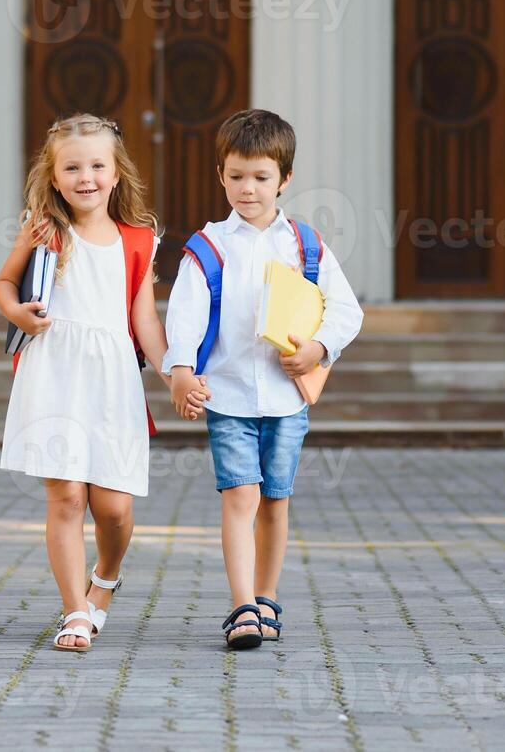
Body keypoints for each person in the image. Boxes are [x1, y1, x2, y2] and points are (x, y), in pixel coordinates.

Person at [163, 109, 364, 649]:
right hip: (227, 396)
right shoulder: (209, 247)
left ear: (285, 179)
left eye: (260, 177)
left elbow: (345, 310)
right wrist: (181, 370)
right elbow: (185, 312)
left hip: (285, 399)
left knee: (275, 499)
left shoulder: (305, 246)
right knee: (240, 497)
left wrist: (320, 347)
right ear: (220, 175)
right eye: (235, 176)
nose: (246, 189)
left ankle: (267, 597)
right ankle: (242, 606)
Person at [0, 113, 171, 652]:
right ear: (53, 176)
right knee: (67, 497)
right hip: (53, 374)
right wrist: (19, 314)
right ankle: (75, 610)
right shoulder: (44, 229)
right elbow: (5, 283)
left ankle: (106, 578)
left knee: (114, 508)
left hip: (111, 379)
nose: (86, 177)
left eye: (97, 166)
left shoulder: (138, 240)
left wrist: (176, 375)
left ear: (117, 174)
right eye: (72, 167)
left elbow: (143, 319)